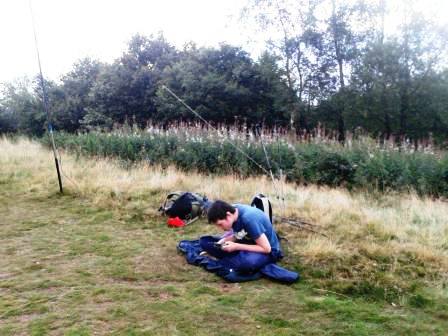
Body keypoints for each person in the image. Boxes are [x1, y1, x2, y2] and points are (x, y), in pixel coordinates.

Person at [201, 200, 283, 274]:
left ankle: (229, 259)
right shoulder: (234, 210)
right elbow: (241, 233)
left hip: (269, 251)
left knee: (245, 263)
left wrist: (236, 246)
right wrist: (224, 240)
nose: (221, 228)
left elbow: (266, 249)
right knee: (204, 242)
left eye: (220, 224)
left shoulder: (249, 219)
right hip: (249, 241)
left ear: (228, 215)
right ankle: (231, 258)